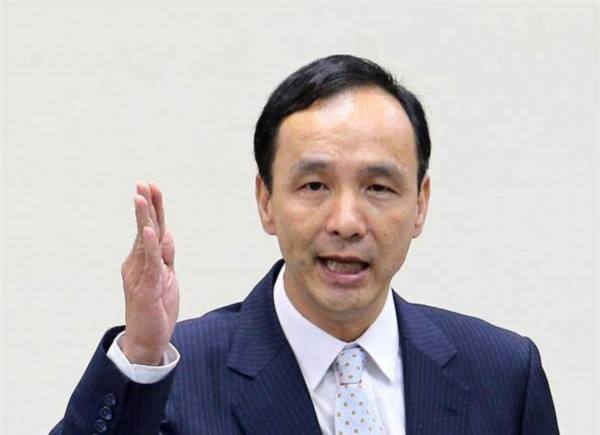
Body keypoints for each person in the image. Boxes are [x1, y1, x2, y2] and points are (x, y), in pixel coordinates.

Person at [51, 55, 559, 435]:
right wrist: (142, 353)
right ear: (266, 201)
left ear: (420, 204)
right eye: (315, 185)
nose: (346, 222)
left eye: (378, 187)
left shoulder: (504, 373)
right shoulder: (172, 377)